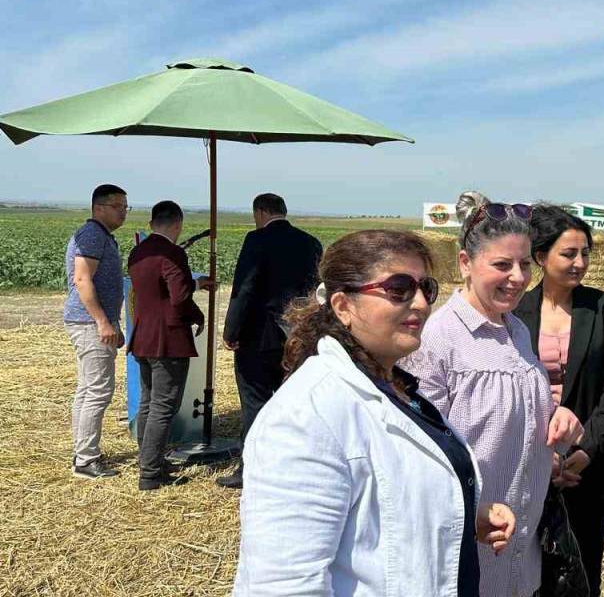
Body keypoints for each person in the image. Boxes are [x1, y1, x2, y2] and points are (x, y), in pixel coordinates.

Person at [234, 229, 515, 596]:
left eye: (425, 288)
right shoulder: (306, 417)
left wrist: (459, 515)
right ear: (343, 306)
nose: (420, 303)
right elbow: (283, 585)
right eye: (398, 289)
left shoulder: (395, 386)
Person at [401, 191, 584, 597]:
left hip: (525, 550)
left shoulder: (516, 330)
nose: (518, 277)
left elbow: (515, 418)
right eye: (502, 265)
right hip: (469, 555)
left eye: (523, 264)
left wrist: (556, 420)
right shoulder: (436, 339)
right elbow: (420, 458)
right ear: (465, 263)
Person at [513, 204, 604, 597]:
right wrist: (543, 457)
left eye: (585, 253)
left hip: (587, 467)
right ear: (541, 257)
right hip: (527, 463)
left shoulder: (602, 306)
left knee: (582, 574)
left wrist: (585, 450)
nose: (580, 263)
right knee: (531, 575)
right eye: (569, 254)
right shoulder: (515, 310)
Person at [218, 193, 323, 489]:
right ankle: (297, 465)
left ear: (260, 212)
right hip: (299, 337)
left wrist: (231, 333)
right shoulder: (310, 242)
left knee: (255, 402)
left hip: (259, 338)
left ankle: (249, 469)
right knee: (296, 403)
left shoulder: (256, 241)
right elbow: (318, 291)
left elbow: (245, 289)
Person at [126, 201, 214, 490]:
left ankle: (148, 460)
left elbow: (155, 292)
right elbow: (178, 296)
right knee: (165, 405)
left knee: (150, 402)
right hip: (168, 340)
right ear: (178, 225)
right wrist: (197, 306)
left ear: (152, 224)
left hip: (142, 337)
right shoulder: (172, 253)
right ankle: (151, 472)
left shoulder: (138, 251)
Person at [65, 184, 129, 479]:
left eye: (125, 207)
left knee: (87, 389)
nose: (123, 212)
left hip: (94, 323)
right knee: (98, 391)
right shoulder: (92, 234)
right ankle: (86, 460)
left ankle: (82, 452)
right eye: (118, 206)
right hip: (91, 324)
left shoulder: (101, 236)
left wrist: (112, 323)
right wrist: (104, 322)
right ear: (99, 207)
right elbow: (82, 279)